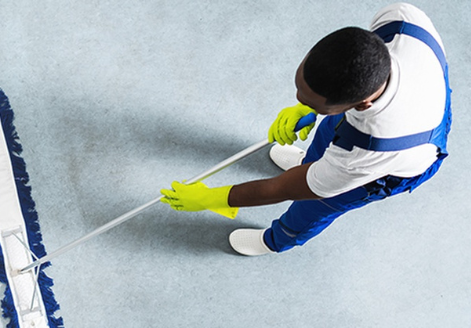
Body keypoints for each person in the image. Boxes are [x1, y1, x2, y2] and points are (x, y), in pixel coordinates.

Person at [160, 3, 451, 256]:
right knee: (329, 132)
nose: (299, 99)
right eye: (300, 89)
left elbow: (281, 188)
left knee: (314, 205)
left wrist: (212, 198)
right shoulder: (401, 20)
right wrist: (310, 109)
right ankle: (311, 163)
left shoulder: (366, 154)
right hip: (411, 101)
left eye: (310, 101)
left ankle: (276, 241)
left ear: (359, 104)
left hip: (401, 159)